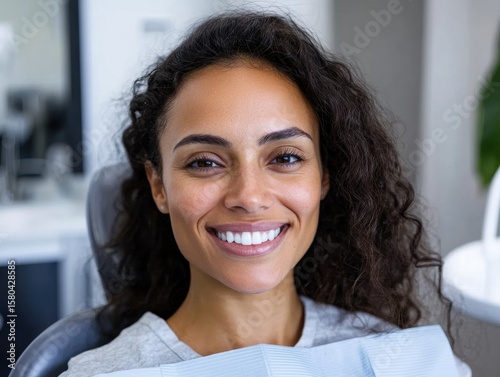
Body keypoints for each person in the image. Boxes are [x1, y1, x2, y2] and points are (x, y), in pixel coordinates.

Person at [60, 11, 470, 376]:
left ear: (325, 175)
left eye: (286, 157)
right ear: (158, 186)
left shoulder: (397, 358)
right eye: (205, 162)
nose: (249, 196)